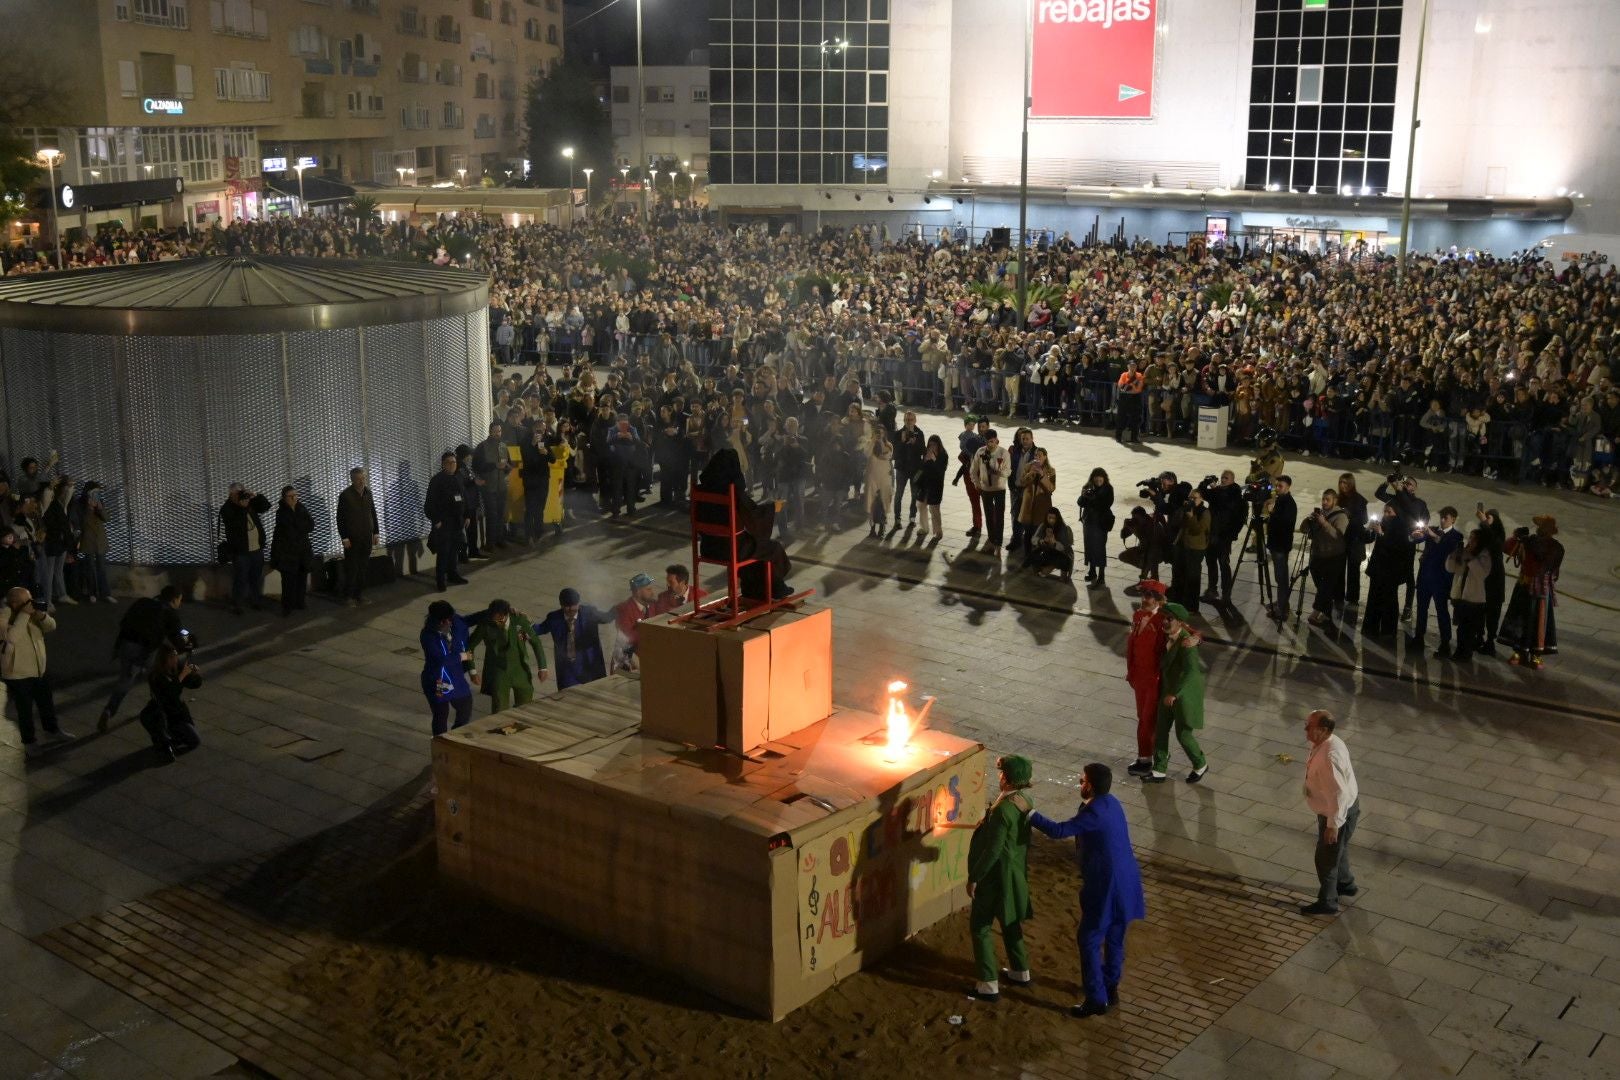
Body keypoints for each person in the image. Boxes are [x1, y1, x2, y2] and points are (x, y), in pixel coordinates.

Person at [1030, 762, 1146, 1017]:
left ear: (1091, 785)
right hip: (1126, 883)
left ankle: (1095, 998)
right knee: (1115, 936)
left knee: (1090, 939)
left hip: (1105, 887)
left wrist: (1030, 815)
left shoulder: (1094, 813)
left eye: (1082, 781)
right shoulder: (1112, 803)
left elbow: (1060, 830)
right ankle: (1111, 987)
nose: (1080, 784)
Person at [965, 754, 1035, 1003]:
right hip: (1015, 872)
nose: (999, 776)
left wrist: (975, 877)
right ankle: (1020, 970)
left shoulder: (1003, 810)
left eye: (1001, 773)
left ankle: (988, 984)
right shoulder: (1024, 800)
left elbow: (993, 850)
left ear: (1007, 777)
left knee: (980, 926)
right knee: (1010, 920)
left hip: (996, 877)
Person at [99, 585, 185, 730]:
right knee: (153, 676)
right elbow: (178, 638)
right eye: (179, 600)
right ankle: (155, 707)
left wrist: (117, 647)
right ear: (174, 599)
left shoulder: (143, 602)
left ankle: (109, 710)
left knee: (127, 677)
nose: (180, 604)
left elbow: (125, 622)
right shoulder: (170, 614)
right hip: (144, 650)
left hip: (126, 644)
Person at [1299, 710, 1360, 916]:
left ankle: (1328, 902)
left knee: (1325, 858)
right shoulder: (1326, 743)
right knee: (1336, 851)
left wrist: (1333, 825)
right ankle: (1345, 884)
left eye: (1310, 726)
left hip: (1336, 814)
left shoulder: (1330, 756)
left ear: (1324, 730)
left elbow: (1338, 793)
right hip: (1333, 810)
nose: (1305, 728)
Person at [2, 586, 72, 755]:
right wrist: (24, 615)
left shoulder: (31, 613)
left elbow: (52, 626)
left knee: (46, 703)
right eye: (27, 601)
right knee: (24, 710)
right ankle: (29, 742)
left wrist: (40, 616)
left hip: (39, 669)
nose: (31, 603)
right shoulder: (4, 615)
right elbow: (11, 638)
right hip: (17, 673)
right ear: (14, 603)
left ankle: (52, 731)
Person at [1144, 602, 1208, 784]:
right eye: (1164, 617)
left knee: (1183, 735)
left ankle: (1200, 763)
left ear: (1179, 622)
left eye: (1169, 619)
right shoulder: (1167, 635)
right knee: (1161, 730)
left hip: (1182, 696)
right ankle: (1159, 769)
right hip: (1165, 692)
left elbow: (1191, 673)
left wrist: (1175, 694)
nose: (1165, 621)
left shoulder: (1187, 644)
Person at [1500, 515, 1563, 669]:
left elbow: (1547, 561)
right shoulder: (1528, 541)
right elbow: (1507, 548)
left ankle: (1536, 654)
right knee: (1519, 619)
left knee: (1539, 623)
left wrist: (1527, 541)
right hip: (1524, 585)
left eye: (1542, 528)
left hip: (1541, 589)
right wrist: (1516, 537)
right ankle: (1518, 652)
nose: (1540, 530)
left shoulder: (1556, 547)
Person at [471, 598, 547, 711]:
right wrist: (472, 671)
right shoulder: (485, 625)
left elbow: (536, 642)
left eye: (500, 620)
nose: (497, 623)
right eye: (494, 620)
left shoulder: (519, 621)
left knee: (526, 705)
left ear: (507, 615)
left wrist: (543, 667)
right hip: (499, 672)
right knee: (499, 708)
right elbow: (468, 648)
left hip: (520, 670)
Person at [1125, 579, 1168, 778]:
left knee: (1147, 720)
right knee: (1143, 717)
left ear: (1159, 600)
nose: (1144, 599)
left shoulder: (1164, 619)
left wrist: (1196, 639)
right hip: (1138, 677)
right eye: (1143, 595)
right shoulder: (1138, 615)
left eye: (1149, 596)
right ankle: (1151, 756)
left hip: (1153, 678)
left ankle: (1146, 759)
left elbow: (1191, 632)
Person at [535, 587, 613, 689]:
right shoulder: (554, 618)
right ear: (561, 605)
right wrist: (520, 622)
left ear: (578, 604)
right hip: (567, 668)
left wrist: (620, 610)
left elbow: (606, 617)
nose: (571, 608)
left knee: (596, 694)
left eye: (574, 605)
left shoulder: (589, 613)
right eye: (567, 606)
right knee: (567, 696)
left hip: (589, 666)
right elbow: (540, 629)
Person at [138, 642, 203, 763]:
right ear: (164, 659)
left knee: (194, 741)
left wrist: (194, 675)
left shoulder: (177, 669)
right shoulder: (156, 676)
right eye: (171, 657)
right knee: (184, 737)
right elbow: (169, 692)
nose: (175, 659)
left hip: (178, 712)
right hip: (162, 712)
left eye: (176, 655)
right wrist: (183, 675)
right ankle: (164, 742)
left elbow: (195, 684)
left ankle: (173, 737)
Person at [420, 600, 478, 735]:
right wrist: (462, 656)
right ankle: (441, 741)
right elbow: (441, 660)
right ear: (441, 622)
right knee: (441, 714)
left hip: (455, 677)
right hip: (439, 680)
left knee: (465, 707)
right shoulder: (428, 636)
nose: (451, 622)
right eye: (448, 620)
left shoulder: (453, 621)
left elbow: (469, 619)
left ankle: (456, 735)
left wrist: (496, 610)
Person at [1409, 507, 1461, 657]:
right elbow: (1416, 539)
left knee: (1442, 611)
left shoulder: (1456, 536)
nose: (1443, 520)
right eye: (1442, 517)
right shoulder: (1432, 530)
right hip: (1425, 577)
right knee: (1421, 609)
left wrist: (1433, 535)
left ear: (1453, 519)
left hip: (1441, 581)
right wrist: (1414, 536)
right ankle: (1419, 637)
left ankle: (1445, 643)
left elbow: (1447, 547)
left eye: (1446, 518)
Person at [218, 484, 271, 614]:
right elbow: (235, 525)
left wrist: (255, 495)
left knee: (256, 577)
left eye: (241, 492)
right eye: (237, 493)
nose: (240, 495)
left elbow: (265, 506)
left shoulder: (249, 503)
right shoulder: (227, 508)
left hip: (257, 549)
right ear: (230, 494)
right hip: (241, 552)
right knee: (240, 579)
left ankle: (255, 601)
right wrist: (242, 507)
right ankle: (238, 604)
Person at [1299, 489, 1349, 628]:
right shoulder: (1320, 514)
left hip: (1333, 557)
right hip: (1317, 556)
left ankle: (1316, 613)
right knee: (1321, 587)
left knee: (1325, 588)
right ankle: (1326, 614)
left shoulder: (1341, 517)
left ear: (1335, 501)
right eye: (1323, 499)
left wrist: (1324, 523)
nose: (1324, 502)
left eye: (1327, 499)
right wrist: (1308, 520)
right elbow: (1303, 530)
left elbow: (1338, 536)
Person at [424, 451, 469, 591]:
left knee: (454, 550)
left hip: (457, 521)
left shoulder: (458, 478)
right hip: (443, 522)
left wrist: (466, 515)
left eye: (454, 462)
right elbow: (429, 504)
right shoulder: (436, 480)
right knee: (444, 551)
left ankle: (453, 574)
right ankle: (440, 579)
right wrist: (436, 520)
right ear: (443, 465)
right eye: (449, 463)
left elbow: (463, 498)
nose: (452, 465)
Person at [1360, 504, 1406, 639]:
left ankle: (1388, 630)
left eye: (1389, 511)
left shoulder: (1400, 527)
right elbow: (1368, 539)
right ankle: (1370, 627)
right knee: (1373, 597)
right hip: (1378, 568)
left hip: (1391, 570)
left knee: (1389, 600)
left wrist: (1381, 533)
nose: (1386, 514)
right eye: (1385, 511)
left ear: (1396, 513)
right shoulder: (1383, 523)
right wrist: (1369, 529)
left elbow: (1396, 548)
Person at [1446, 529, 1492, 662]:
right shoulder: (1465, 552)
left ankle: (1466, 653)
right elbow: (1450, 568)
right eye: (1470, 538)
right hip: (1460, 597)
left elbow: (1481, 574)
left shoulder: (1484, 555)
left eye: (1474, 539)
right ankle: (1459, 651)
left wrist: (1470, 558)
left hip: (1474, 599)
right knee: (1461, 628)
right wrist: (1454, 555)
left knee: (1469, 629)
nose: (1470, 541)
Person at [271, 486, 315, 616]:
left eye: (296, 495)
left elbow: (311, 524)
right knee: (288, 581)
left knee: (302, 578)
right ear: (285, 498)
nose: (294, 498)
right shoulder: (281, 512)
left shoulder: (302, 508)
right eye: (291, 496)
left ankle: (300, 602)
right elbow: (288, 531)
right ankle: (287, 606)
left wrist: (299, 526)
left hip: (303, 550)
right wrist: (301, 526)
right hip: (288, 552)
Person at [1201, 470, 1242, 608]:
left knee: (1223, 564)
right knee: (1210, 562)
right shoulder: (1218, 491)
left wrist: (1215, 489)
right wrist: (1204, 482)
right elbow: (1202, 494)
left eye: (1226, 478)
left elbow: (1226, 503)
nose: (1223, 480)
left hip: (1224, 535)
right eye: (1222, 477)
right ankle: (1212, 590)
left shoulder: (1235, 492)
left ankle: (1226, 594)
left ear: (1232, 480)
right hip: (1211, 533)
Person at [1168, 485, 1210, 614]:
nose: (1192, 500)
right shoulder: (1186, 508)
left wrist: (1191, 516)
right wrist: (1182, 511)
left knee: (1192, 577)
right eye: (1190, 497)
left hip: (1195, 548)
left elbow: (1197, 530)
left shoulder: (1205, 512)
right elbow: (1174, 522)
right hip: (1182, 545)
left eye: (1194, 498)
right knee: (1178, 574)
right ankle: (1176, 602)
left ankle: (1191, 607)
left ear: (1201, 499)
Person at [970, 429, 1011, 555]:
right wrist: (977, 484)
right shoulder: (980, 452)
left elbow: (1008, 471)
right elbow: (973, 470)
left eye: (993, 441)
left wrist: (999, 473)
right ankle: (992, 541)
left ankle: (998, 544)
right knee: (988, 516)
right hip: (986, 489)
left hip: (999, 489)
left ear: (996, 440)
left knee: (999, 517)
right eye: (988, 442)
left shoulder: (1003, 453)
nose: (991, 444)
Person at [72, 481, 113, 604]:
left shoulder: (100, 502)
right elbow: (77, 521)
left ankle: (105, 593)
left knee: (102, 567)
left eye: (98, 492)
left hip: (99, 538)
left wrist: (99, 508)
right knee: (90, 567)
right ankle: (92, 593)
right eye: (94, 492)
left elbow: (106, 518)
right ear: (87, 492)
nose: (96, 494)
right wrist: (89, 508)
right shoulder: (79, 504)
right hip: (87, 538)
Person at [611, 571, 660, 672]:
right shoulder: (624, 610)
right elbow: (628, 638)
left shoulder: (653, 605)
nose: (652, 592)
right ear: (638, 591)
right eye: (648, 589)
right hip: (630, 661)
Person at [1264, 475, 1297, 621]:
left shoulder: (1289, 503)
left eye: (1280, 486)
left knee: (1282, 577)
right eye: (1276, 486)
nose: (1277, 489)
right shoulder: (1280, 500)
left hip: (1281, 546)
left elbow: (1285, 523)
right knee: (1279, 577)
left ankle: (1282, 609)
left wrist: (1272, 512)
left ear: (1288, 487)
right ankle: (1281, 602)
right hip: (1276, 544)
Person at [472, 421, 510, 548]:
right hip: (488, 487)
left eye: (499, 431)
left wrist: (507, 468)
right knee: (492, 514)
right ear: (490, 432)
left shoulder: (504, 446)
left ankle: (500, 539)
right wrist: (494, 465)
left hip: (502, 486)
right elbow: (476, 466)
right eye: (495, 431)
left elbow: (507, 464)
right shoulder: (482, 447)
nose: (497, 433)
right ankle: (490, 543)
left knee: (501, 514)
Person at [1015, 447, 1056, 559]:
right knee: (1027, 533)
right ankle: (1027, 557)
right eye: (1036, 456)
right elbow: (1022, 482)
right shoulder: (1028, 466)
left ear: (1045, 457)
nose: (1037, 458)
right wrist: (1031, 473)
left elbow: (1051, 488)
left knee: (1038, 533)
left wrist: (1042, 475)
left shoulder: (1051, 471)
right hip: (1028, 505)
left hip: (1042, 506)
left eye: (1040, 455)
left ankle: (1037, 558)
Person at [1076, 467, 1114, 588]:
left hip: (1101, 523)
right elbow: (1080, 503)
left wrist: (1093, 499)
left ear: (1104, 478)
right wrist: (1083, 496)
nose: (1098, 479)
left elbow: (1107, 504)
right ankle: (1092, 571)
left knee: (1099, 548)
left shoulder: (1108, 489)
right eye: (1096, 477)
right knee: (1089, 547)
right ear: (1092, 478)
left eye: (1100, 477)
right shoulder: (1088, 486)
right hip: (1088, 522)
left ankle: (1101, 576)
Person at [1336, 473, 1369, 606]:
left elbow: (1364, 519)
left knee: (1353, 570)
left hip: (1355, 539)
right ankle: (1338, 595)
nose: (1343, 486)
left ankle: (1352, 597)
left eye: (1345, 483)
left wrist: (1350, 516)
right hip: (1341, 538)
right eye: (1341, 483)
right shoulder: (1338, 499)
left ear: (1351, 484)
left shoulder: (1359, 499)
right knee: (1339, 568)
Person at [892, 411, 927, 526]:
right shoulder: (898, 434)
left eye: (911, 420)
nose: (909, 422)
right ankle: (897, 519)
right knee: (899, 494)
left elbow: (923, 451)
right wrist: (902, 442)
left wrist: (915, 443)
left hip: (915, 470)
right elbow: (894, 454)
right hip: (901, 469)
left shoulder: (919, 433)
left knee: (915, 494)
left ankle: (912, 517)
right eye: (907, 420)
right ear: (904, 420)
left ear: (915, 420)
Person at [954, 415, 986, 538]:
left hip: (983, 479)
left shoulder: (990, 443)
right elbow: (962, 457)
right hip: (970, 477)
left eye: (984, 426)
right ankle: (977, 526)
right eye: (979, 426)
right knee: (974, 503)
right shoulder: (972, 440)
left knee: (988, 505)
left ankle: (993, 530)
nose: (981, 429)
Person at [916, 434, 949, 541]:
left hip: (936, 486)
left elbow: (941, 471)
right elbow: (921, 468)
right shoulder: (927, 453)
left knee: (934, 509)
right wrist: (925, 460)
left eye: (934, 445)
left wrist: (934, 459)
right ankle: (924, 528)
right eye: (930, 445)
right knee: (921, 505)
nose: (932, 447)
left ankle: (938, 532)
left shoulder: (943, 455)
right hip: (924, 485)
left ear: (938, 445)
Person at [1026, 508, 1074, 580]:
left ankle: (1052, 570)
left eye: (1054, 518)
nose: (1051, 520)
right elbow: (1033, 539)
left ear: (1057, 518)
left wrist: (1054, 542)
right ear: (1046, 517)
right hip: (1047, 551)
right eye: (1049, 518)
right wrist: (1041, 541)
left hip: (1061, 554)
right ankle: (1043, 569)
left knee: (1063, 561)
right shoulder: (1043, 526)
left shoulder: (1063, 528)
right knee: (1033, 555)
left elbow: (1065, 547)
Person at [864, 424, 894, 536]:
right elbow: (866, 454)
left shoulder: (889, 445)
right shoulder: (869, 443)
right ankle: (872, 528)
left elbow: (886, 456)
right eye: (877, 433)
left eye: (881, 433)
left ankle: (882, 526)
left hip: (885, 477)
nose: (879, 435)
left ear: (884, 433)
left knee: (884, 502)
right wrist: (872, 441)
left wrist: (880, 442)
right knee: (871, 503)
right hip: (872, 477)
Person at [1115, 361, 1145, 443]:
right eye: (1131, 366)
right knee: (1121, 417)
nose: (1132, 367)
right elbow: (1120, 386)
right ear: (1128, 366)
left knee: (1136, 418)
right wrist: (1131, 386)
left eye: (1134, 366)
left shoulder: (1139, 375)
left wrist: (1129, 387)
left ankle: (1134, 438)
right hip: (1124, 398)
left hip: (1135, 398)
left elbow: (1139, 389)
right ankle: (1118, 437)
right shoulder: (1124, 375)